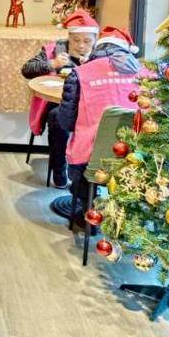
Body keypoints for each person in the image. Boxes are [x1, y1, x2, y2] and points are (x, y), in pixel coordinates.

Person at [51, 25, 141, 224]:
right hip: (135, 156)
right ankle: (124, 218)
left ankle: (88, 212)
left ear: (97, 46)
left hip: (90, 157)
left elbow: (66, 121)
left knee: (82, 162)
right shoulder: (145, 75)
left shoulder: (80, 73)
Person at [21, 10, 98, 189]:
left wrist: (91, 66)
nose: (81, 46)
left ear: (95, 41)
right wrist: (53, 64)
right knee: (56, 117)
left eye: (87, 41)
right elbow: (27, 70)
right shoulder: (55, 50)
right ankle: (59, 168)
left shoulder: (99, 56)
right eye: (76, 40)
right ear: (68, 38)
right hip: (60, 103)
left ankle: (87, 172)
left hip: (90, 107)